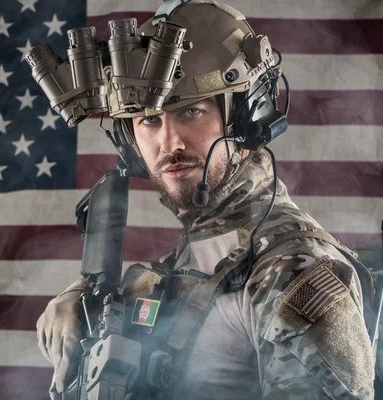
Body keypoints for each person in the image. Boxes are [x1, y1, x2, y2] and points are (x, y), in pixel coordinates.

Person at [35, 1, 376, 399]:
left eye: (191, 111)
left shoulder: (292, 272)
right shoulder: (198, 255)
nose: (170, 143)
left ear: (245, 117)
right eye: (148, 120)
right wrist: (86, 297)